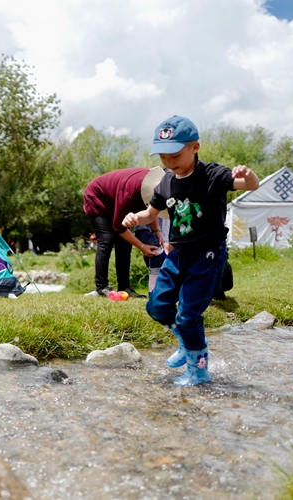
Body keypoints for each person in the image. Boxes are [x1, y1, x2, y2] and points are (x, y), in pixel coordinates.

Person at [123, 115, 260, 386]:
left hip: (207, 255)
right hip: (177, 254)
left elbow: (249, 186)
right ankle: (187, 342)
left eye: (174, 155)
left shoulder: (212, 174)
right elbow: (151, 212)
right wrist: (135, 218)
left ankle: (198, 370)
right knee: (157, 306)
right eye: (163, 156)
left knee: (188, 314)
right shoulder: (165, 182)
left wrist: (249, 177)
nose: (169, 162)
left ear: (194, 147)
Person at [83, 167, 167, 298]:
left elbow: (151, 209)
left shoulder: (156, 186)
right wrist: (142, 246)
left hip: (115, 198)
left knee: (124, 243)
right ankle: (101, 287)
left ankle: (125, 287)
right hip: (97, 199)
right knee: (107, 239)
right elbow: (119, 227)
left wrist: (156, 230)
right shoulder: (129, 193)